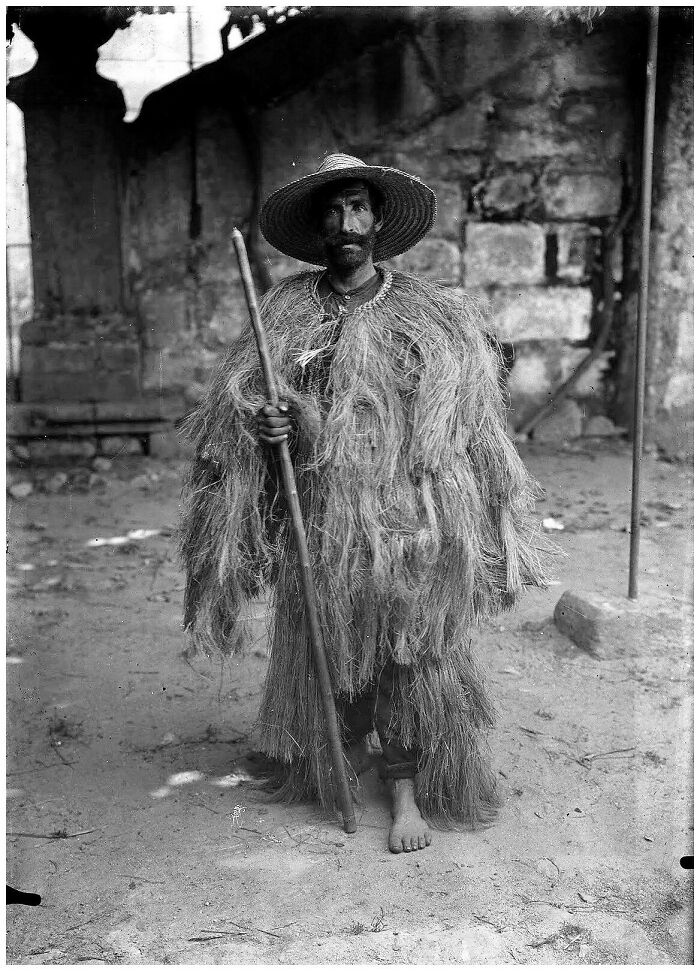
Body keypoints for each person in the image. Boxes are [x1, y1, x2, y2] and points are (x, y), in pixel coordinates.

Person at [180, 153, 549, 853]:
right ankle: (342, 754)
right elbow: (242, 413)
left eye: (357, 207)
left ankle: (406, 789)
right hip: (320, 518)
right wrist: (271, 423)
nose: (345, 223)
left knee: (409, 652)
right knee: (335, 646)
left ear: (378, 219)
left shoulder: (427, 313)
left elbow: (466, 417)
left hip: (406, 517)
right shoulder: (287, 310)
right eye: (332, 210)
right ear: (318, 225)